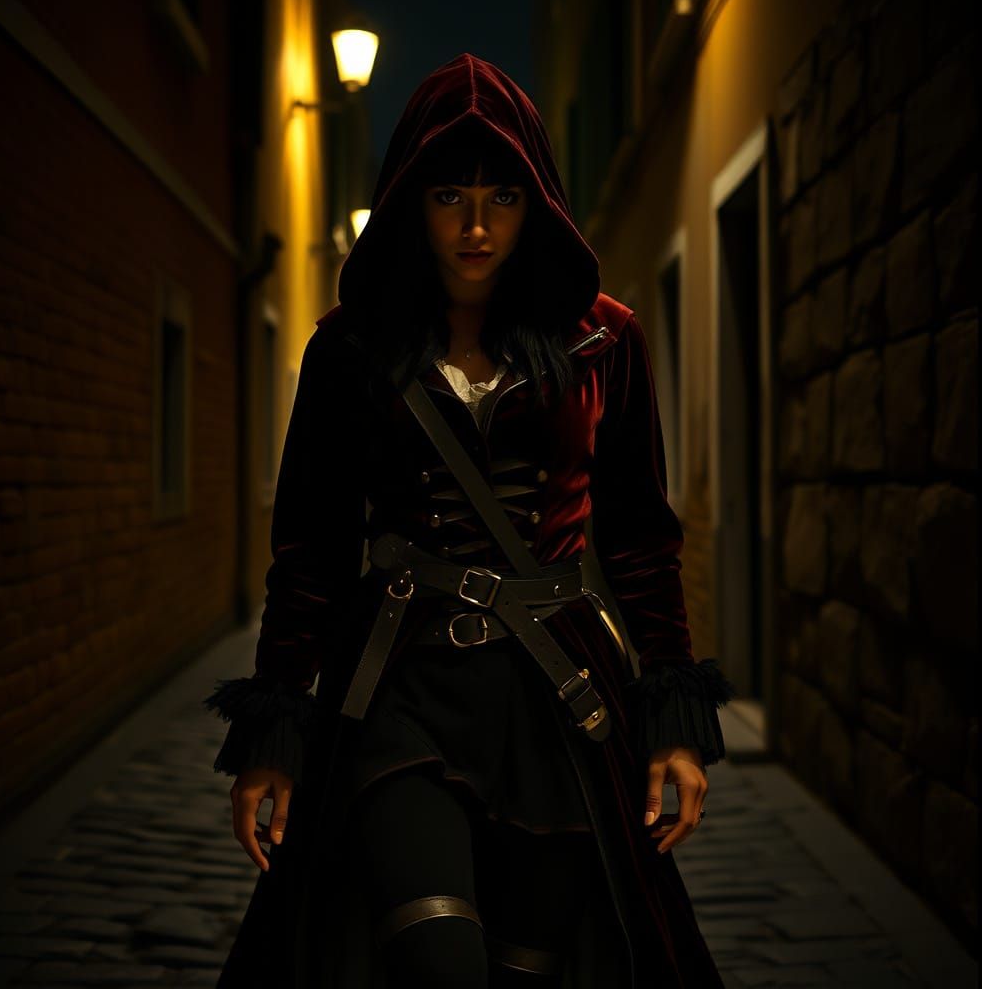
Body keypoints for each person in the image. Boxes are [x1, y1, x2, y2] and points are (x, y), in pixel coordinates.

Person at [204, 53, 736, 988]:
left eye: (503, 198)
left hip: (559, 697)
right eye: (451, 195)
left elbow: (643, 541)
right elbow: (311, 552)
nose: (478, 225)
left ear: (539, 206)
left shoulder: (604, 340)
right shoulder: (350, 351)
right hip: (400, 687)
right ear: (414, 201)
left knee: (532, 968)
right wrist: (275, 734)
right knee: (437, 962)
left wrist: (674, 722)